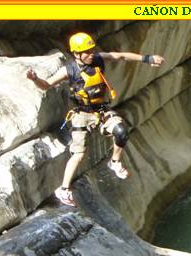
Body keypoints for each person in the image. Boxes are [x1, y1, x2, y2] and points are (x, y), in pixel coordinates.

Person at [27, 32, 165, 206]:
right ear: (76, 53)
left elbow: (120, 56)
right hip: (81, 115)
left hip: (101, 111)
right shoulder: (68, 70)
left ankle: (114, 162)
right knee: (78, 154)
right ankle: (63, 190)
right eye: (86, 52)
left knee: (122, 132)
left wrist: (147, 58)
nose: (91, 54)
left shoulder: (98, 59)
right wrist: (35, 79)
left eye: (91, 50)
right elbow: (46, 85)